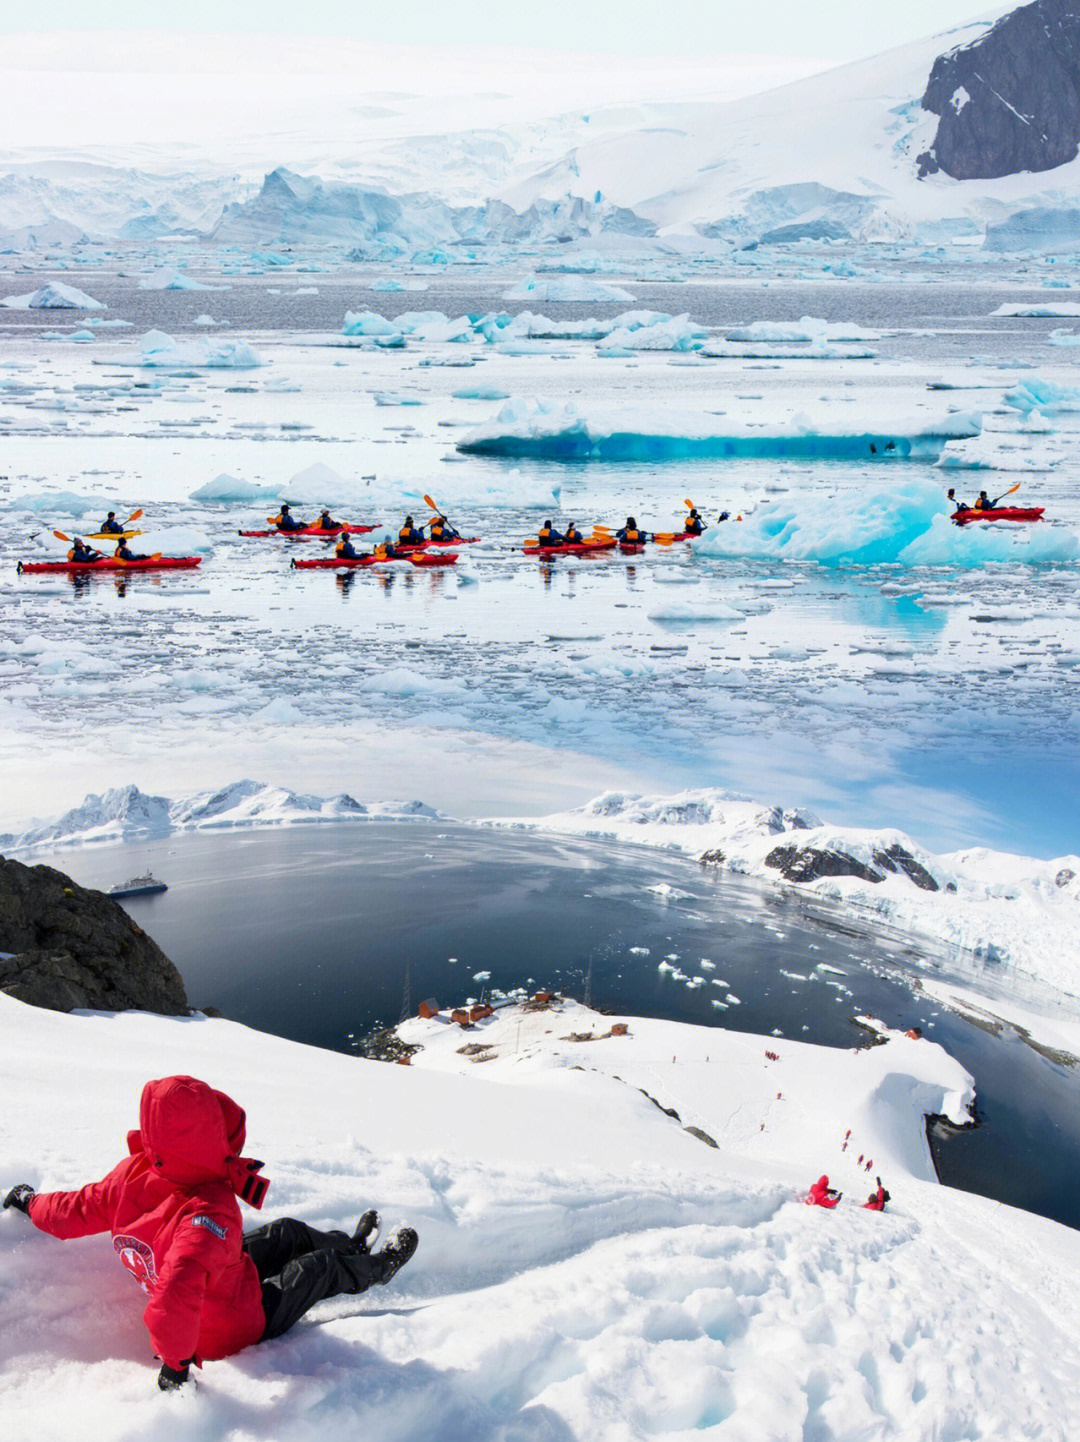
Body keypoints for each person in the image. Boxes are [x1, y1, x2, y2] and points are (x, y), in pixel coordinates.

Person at [2, 1075, 417, 1391]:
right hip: (235, 1325)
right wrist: (175, 1366)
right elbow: (177, 1290)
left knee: (288, 1232)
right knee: (320, 1269)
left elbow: (71, 1210)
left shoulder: (135, 1173)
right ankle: (378, 1269)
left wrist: (29, 1202)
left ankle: (353, 1246)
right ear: (205, 1139)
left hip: (223, 1278)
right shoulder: (209, 1210)